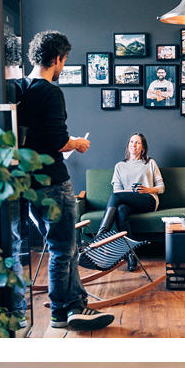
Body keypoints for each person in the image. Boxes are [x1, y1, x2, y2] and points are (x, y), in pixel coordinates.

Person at [17, 30, 114, 331]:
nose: (63, 67)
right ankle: (62, 312)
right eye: (64, 61)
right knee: (63, 247)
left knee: (62, 246)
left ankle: (74, 305)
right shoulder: (51, 93)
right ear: (57, 58)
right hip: (54, 183)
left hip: (27, 184)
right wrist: (77, 144)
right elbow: (58, 141)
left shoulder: (19, 89)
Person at [95, 133, 164, 271]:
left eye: (138, 143)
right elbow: (117, 190)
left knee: (116, 198)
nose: (134, 145)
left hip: (148, 200)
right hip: (128, 202)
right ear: (128, 145)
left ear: (143, 147)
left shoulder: (150, 163)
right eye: (131, 142)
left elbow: (161, 187)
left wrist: (148, 189)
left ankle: (101, 236)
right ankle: (131, 255)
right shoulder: (120, 166)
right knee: (121, 210)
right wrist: (128, 193)